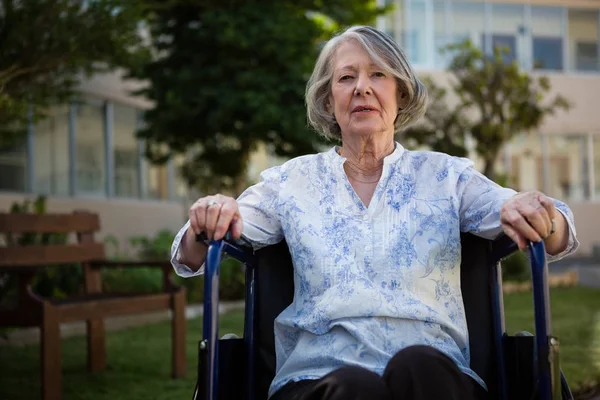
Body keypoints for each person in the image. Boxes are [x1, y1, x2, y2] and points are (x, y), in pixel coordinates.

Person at [171, 26, 578, 400]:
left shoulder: (445, 176)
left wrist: (539, 212)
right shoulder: (291, 181)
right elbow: (194, 251)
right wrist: (209, 218)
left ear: (400, 93)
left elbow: (553, 227)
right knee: (353, 386)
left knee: (419, 367)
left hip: (435, 372)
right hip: (318, 377)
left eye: (378, 75)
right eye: (347, 77)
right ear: (329, 99)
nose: (362, 88)